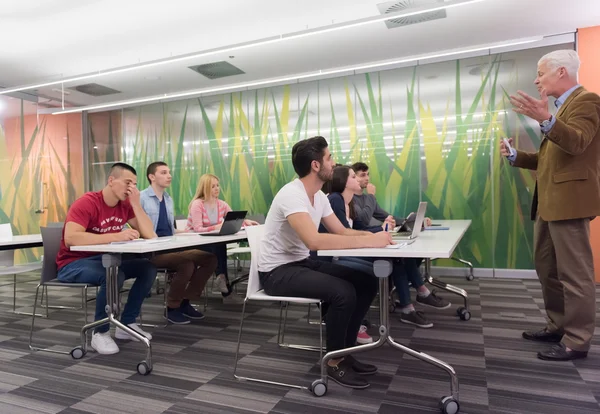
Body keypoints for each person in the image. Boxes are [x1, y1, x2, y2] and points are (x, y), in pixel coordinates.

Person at [258, 136, 393, 390]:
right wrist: (367, 242)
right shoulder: (292, 194)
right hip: (276, 273)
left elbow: (341, 232)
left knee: (365, 281)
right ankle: (333, 362)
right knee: (342, 292)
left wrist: (373, 236)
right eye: (329, 157)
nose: (333, 162)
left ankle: (345, 350)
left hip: (300, 263)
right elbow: (313, 241)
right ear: (316, 165)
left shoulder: (318, 196)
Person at [501, 49, 600, 361]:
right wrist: (518, 158)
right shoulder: (561, 108)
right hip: (548, 202)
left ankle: (577, 341)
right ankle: (558, 325)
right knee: (547, 269)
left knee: (575, 275)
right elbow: (551, 159)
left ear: (561, 72)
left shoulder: (587, 101)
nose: (536, 79)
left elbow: (577, 142)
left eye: (540, 73)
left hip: (569, 203)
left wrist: (545, 118)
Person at [318, 166, 449, 330]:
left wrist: (383, 229)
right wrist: (377, 231)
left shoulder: (347, 202)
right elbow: (345, 232)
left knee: (396, 259)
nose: (361, 179)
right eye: (355, 176)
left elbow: (359, 228)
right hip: (333, 256)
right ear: (344, 181)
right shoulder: (336, 199)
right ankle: (353, 322)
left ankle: (408, 306)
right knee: (387, 264)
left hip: (347, 250)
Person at [56, 163, 157, 355]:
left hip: (101, 259)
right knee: (114, 275)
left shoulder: (125, 205)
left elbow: (150, 234)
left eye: (134, 185)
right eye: (128, 183)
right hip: (72, 264)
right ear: (111, 181)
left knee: (148, 268)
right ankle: (99, 333)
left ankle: (126, 323)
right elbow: (71, 238)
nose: (131, 189)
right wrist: (115, 236)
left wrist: (136, 204)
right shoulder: (87, 203)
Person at [140, 162, 218, 324]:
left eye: (169, 172)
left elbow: (168, 228)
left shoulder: (168, 199)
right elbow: (138, 226)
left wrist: (184, 232)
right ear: (152, 177)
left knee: (210, 259)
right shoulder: (141, 198)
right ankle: (172, 307)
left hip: (170, 246)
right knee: (186, 264)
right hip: (151, 251)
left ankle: (185, 301)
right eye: (163, 172)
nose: (169, 176)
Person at [186, 174, 258, 304]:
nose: (217, 189)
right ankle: (224, 286)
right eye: (213, 186)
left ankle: (222, 280)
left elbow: (233, 220)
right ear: (205, 188)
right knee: (218, 245)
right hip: (194, 243)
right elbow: (197, 229)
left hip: (213, 242)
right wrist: (216, 227)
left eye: (217, 185)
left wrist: (245, 221)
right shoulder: (197, 204)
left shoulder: (222, 204)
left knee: (219, 244)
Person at [351, 162, 396, 228]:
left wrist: (406, 221)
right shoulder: (350, 199)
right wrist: (371, 195)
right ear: (353, 177)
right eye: (363, 175)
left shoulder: (367, 198)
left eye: (368, 174)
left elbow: (383, 215)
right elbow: (363, 220)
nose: (367, 178)